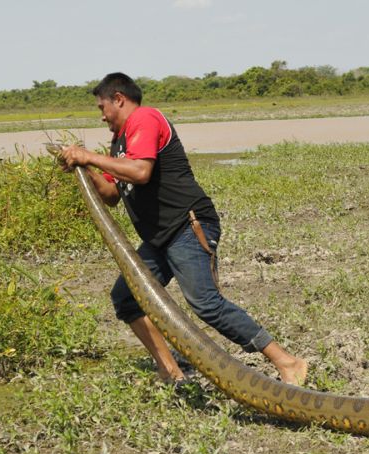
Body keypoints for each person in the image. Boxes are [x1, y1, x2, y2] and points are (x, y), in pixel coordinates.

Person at [60, 72, 307, 386]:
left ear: (119, 99)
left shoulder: (145, 119)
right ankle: (170, 371)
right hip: (159, 237)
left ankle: (288, 362)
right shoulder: (119, 141)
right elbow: (110, 196)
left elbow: (141, 171)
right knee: (126, 297)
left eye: (102, 107)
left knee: (205, 303)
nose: (102, 116)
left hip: (187, 225)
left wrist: (87, 155)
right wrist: (86, 167)